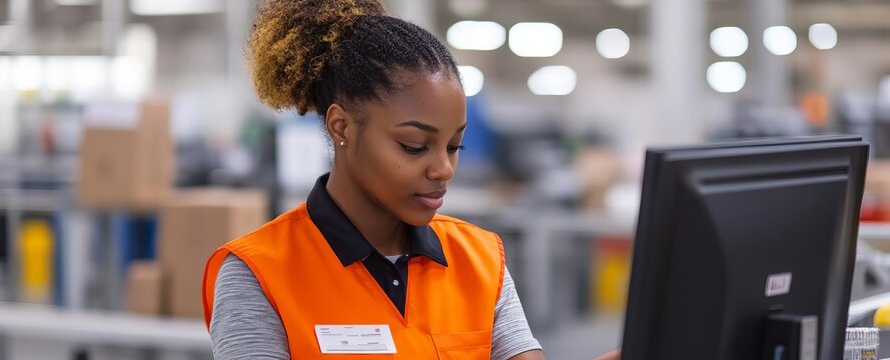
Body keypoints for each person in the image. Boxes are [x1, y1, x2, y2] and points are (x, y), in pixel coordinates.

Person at [202, 0, 620, 359]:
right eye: (414, 146)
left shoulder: (480, 260)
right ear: (342, 128)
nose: (443, 169)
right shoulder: (259, 273)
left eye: (454, 146)